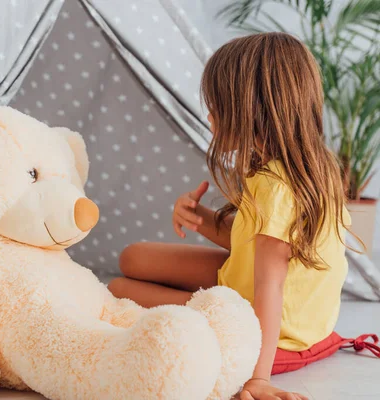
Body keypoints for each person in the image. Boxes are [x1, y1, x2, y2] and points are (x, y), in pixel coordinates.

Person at [108, 32, 353, 400]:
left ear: (251, 111)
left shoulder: (278, 188)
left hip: (272, 327)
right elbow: (253, 239)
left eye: (218, 106)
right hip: (245, 283)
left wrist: (258, 379)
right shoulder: (292, 168)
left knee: (118, 290)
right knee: (132, 256)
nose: (208, 116)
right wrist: (200, 218)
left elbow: (270, 288)